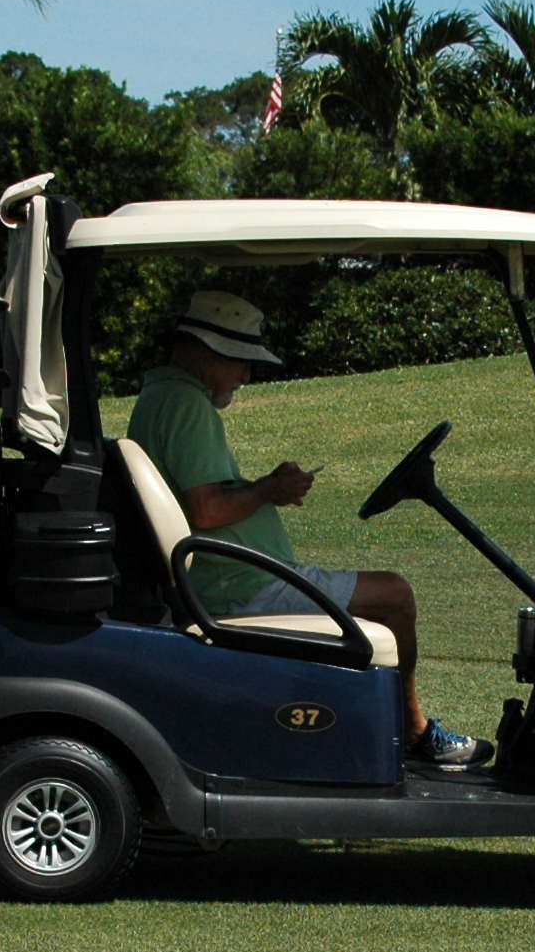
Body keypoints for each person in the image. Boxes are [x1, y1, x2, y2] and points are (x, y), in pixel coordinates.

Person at [125, 289, 488, 766]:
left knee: (382, 595)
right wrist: (270, 489)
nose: (246, 376)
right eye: (240, 361)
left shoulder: (160, 397)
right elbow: (207, 511)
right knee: (395, 595)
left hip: (229, 578)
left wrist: (266, 488)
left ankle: (377, 727)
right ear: (205, 351)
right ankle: (414, 731)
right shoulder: (186, 404)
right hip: (239, 585)